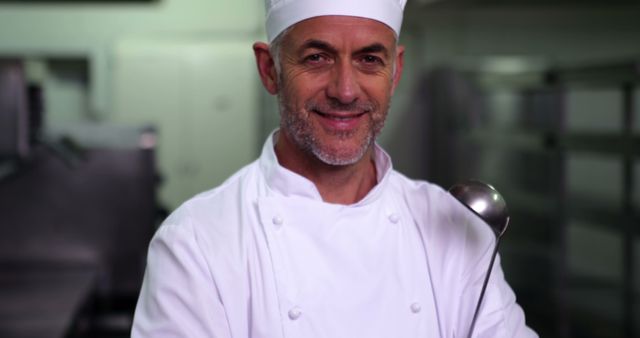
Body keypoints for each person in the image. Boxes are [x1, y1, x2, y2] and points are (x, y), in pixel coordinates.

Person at [131, 0, 538, 337]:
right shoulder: (196, 243)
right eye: (317, 57)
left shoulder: (454, 227)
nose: (345, 90)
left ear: (394, 71)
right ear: (269, 69)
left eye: (369, 60)